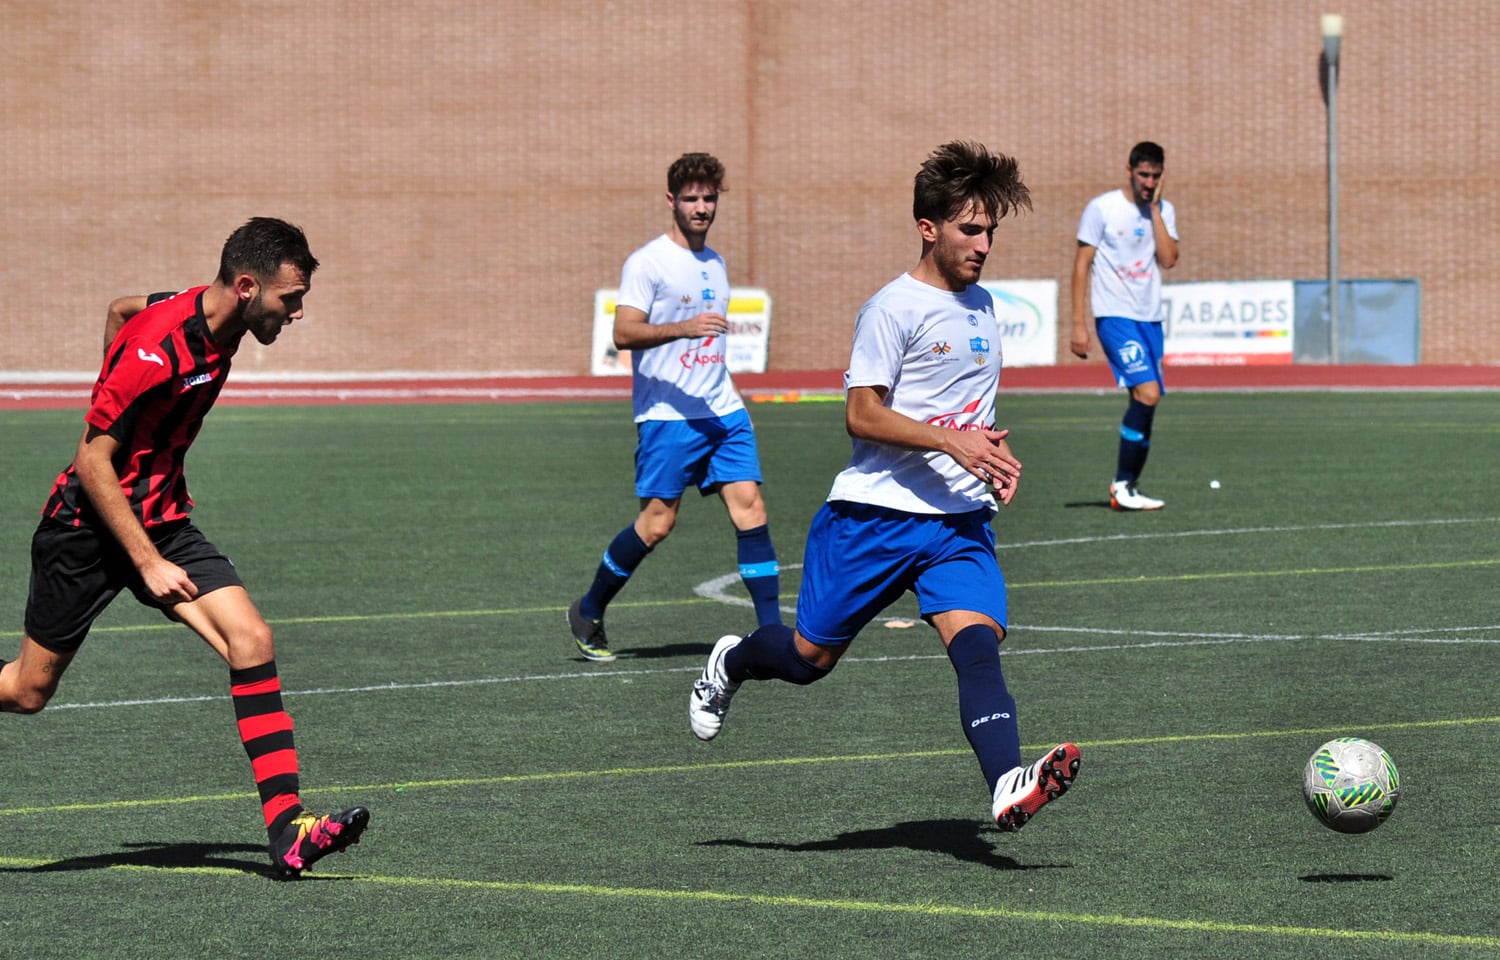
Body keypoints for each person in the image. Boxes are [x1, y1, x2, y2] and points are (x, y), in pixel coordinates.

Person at [687, 141, 1081, 833]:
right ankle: (733, 658)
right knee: (808, 660)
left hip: (957, 521)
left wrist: (985, 450)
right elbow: (860, 413)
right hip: (874, 514)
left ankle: (1005, 783)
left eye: (990, 230)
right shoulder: (891, 308)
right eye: (970, 229)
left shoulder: (984, 305)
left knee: (977, 646)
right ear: (929, 227)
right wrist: (953, 440)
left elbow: (959, 409)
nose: (983, 244)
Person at [0, 218, 370, 880]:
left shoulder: (202, 310)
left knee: (251, 640)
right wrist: (145, 560)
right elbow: (92, 462)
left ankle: (289, 830)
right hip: (85, 530)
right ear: (247, 285)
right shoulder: (154, 350)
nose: (298, 312)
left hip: (163, 521)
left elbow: (119, 306)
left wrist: (113, 389)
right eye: (290, 299)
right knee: (26, 692)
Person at [567, 153, 781, 662]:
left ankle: (773, 635)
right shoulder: (648, 262)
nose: (701, 207)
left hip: (722, 410)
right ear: (672, 201)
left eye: (709, 198)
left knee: (751, 509)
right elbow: (623, 333)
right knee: (657, 524)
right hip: (666, 416)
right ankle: (589, 607)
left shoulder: (717, 262)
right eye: (691, 198)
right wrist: (684, 327)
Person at [1069, 141, 1180, 511]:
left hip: (1151, 318)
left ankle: (1128, 486)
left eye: (1155, 175)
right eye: (1143, 174)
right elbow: (1082, 264)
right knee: (1148, 393)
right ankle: (1121, 484)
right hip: (1114, 315)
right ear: (1130, 171)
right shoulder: (1102, 209)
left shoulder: (1163, 210)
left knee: (1146, 402)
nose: (1149, 181)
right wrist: (1078, 324)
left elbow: (1169, 259)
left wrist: (1154, 212)